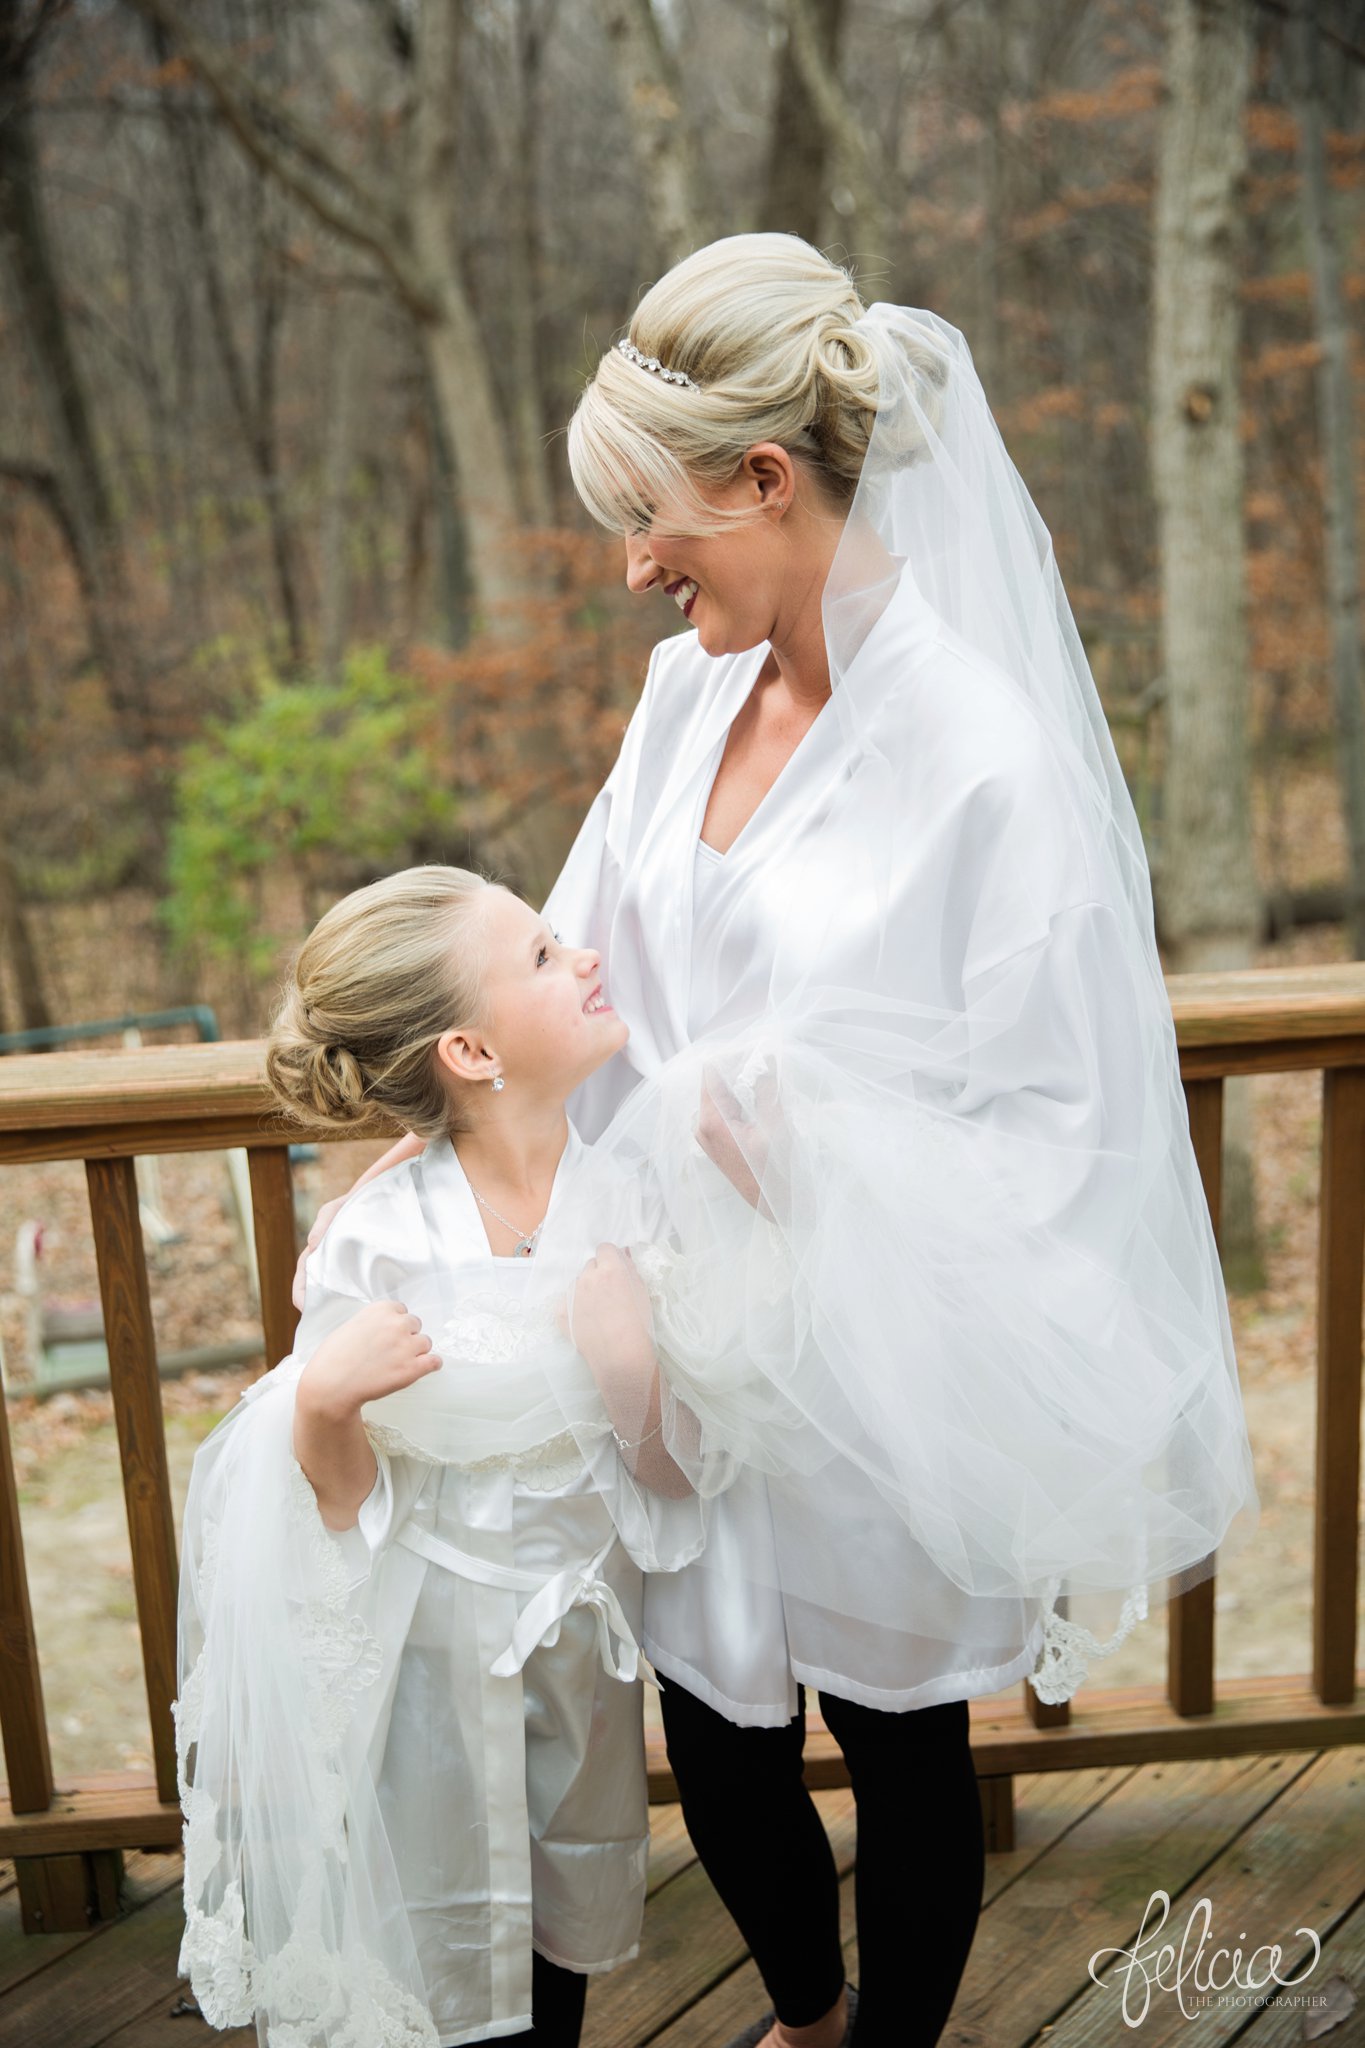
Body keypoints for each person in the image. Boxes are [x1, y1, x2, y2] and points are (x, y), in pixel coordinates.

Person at [303, 234, 1260, 2048]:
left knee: (903, 1730)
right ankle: (807, 2009)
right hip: (671, 1327)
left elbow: (1065, 1112)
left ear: (770, 479)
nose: (634, 566)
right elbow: (562, 971)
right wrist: (440, 1133)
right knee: (714, 1716)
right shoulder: (680, 705)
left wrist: (817, 1139)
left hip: (893, 1334)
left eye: (657, 520)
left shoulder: (985, 757)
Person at [175, 866, 734, 2048]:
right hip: (425, 1672)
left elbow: (681, 1481)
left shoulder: (629, 1198)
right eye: (540, 955)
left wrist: (633, 1375)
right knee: (435, 1938)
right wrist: (321, 1405)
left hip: (576, 1667)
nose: (583, 956)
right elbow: (338, 1513)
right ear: (473, 1053)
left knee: (554, 1944)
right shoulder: (380, 1240)